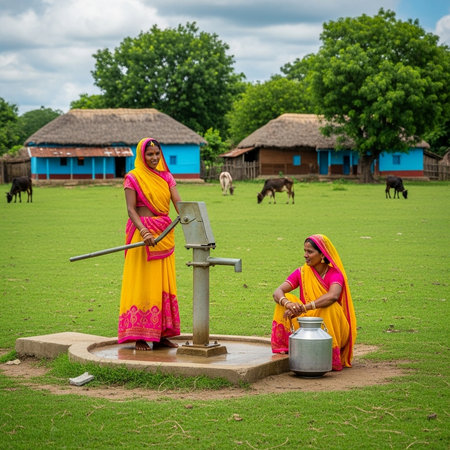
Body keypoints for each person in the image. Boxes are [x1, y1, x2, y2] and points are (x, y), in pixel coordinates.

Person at [118, 137, 182, 351]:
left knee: (163, 284)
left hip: (164, 236)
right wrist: (143, 230)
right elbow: (130, 210)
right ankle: (139, 336)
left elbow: (179, 204)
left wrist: (190, 220)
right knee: (143, 283)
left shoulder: (167, 177)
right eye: (149, 154)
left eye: (157, 154)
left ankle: (161, 335)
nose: (154, 158)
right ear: (141, 155)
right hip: (141, 237)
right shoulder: (133, 178)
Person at [271, 234, 357, 370]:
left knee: (331, 307)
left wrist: (304, 307)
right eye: (305, 251)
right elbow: (277, 292)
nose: (305, 255)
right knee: (285, 298)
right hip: (307, 324)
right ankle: (286, 349)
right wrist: (288, 304)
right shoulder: (302, 272)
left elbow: (333, 296)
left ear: (322, 255)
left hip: (334, 326)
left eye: (310, 252)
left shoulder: (335, 274)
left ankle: (329, 354)